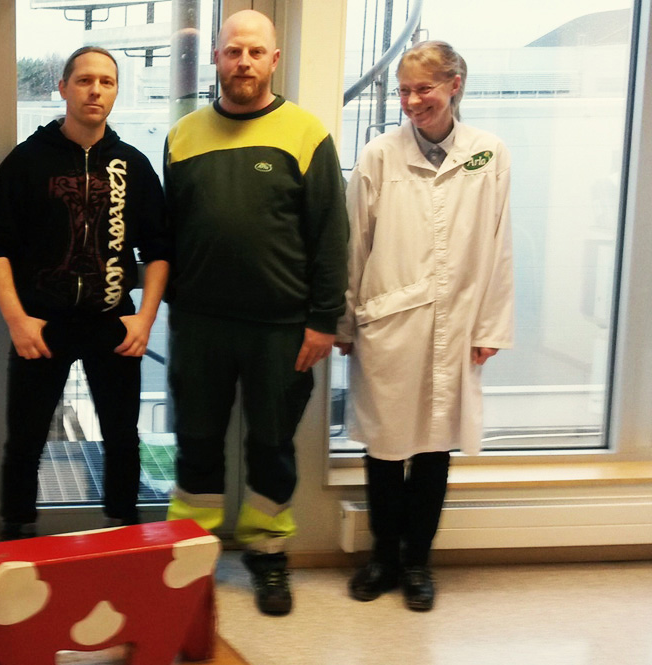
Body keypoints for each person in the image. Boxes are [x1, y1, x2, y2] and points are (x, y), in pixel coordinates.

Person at [163, 9, 349, 616]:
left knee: (271, 445)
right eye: (232, 50)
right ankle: (191, 559)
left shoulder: (306, 134)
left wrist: (323, 320)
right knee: (196, 442)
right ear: (216, 58)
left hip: (282, 330)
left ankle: (268, 557)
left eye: (254, 51)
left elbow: (331, 235)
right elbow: (170, 234)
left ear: (273, 59)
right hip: (199, 326)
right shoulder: (182, 136)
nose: (243, 61)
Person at [337, 41, 514, 612]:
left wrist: (490, 326)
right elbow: (354, 244)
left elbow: (500, 242)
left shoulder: (488, 154)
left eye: (424, 89)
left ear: (454, 84)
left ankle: (417, 562)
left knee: (436, 446)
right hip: (388, 319)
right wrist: (344, 321)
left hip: (457, 322)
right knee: (386, 447)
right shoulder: (379, 155)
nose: (413, 102)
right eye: (404, 91)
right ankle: (382, 558)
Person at [0, 47, 171, 540]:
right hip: (41, 324)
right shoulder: (26, 162)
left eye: (106, 82)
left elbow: (159, 249)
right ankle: (17, 537)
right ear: (63, 87)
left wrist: (145, 318)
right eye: (84, 80)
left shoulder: (133, 165)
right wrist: (16, 319)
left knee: (123, 439)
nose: (95, 90)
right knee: (24, 441)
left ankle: (121, 535)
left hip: (113, 322)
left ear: (116, 91)